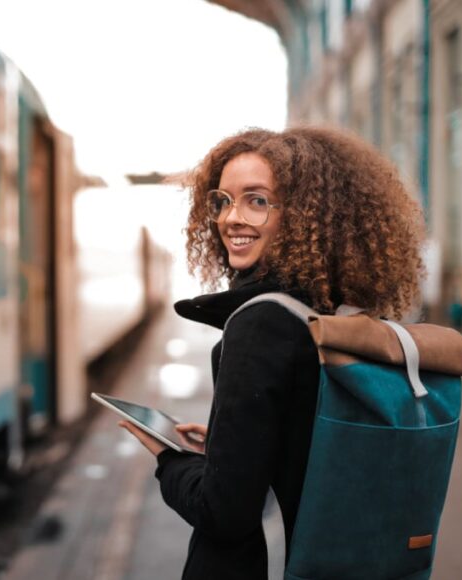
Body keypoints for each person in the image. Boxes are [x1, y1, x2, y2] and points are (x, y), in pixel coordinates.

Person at [119, 127, 426, 579]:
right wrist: (231, 444)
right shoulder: (321, 311)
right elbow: (310, 442)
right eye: (222, 200)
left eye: (257, 201)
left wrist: (171, 463)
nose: (231, 218)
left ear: (302, 216)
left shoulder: (260, 324)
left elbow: (223, 514)